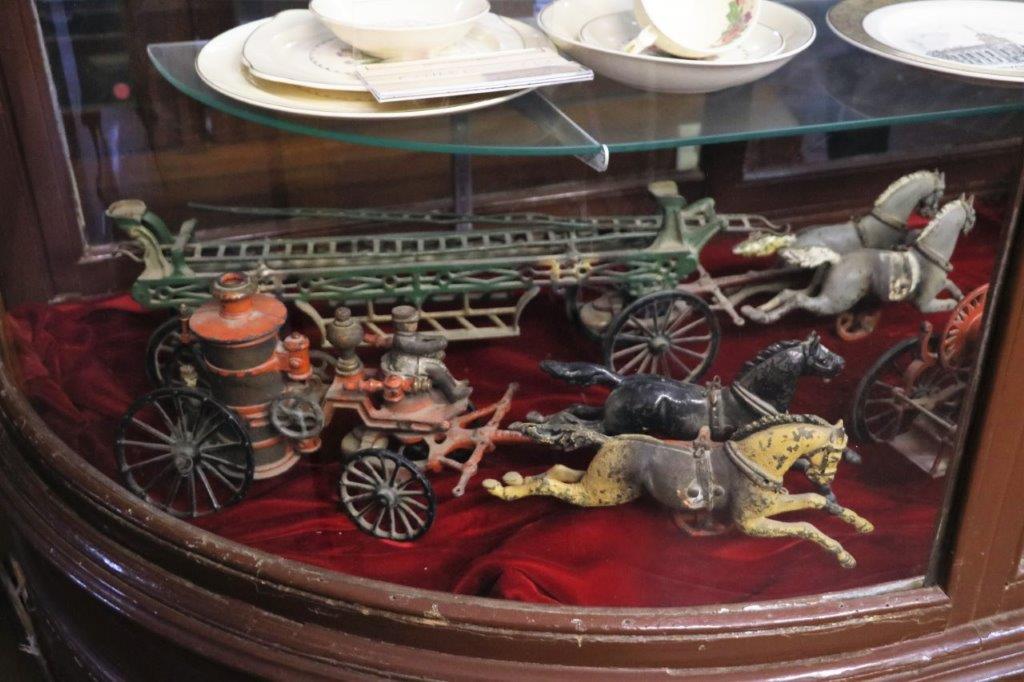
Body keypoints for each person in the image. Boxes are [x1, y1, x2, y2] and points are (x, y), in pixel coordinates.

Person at [380, 306, 472, 402]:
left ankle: (453, 383)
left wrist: (438, 338)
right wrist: (439, 343)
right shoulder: (401, 340)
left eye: (415, 322)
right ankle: (453, 394)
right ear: (400, 325)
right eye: (411, 323)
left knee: (439, 356)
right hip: (405, 364)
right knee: (435, 368)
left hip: (411, 359)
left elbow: (422, 338)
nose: (415, 325)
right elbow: (421, 348)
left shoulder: (409, 335)